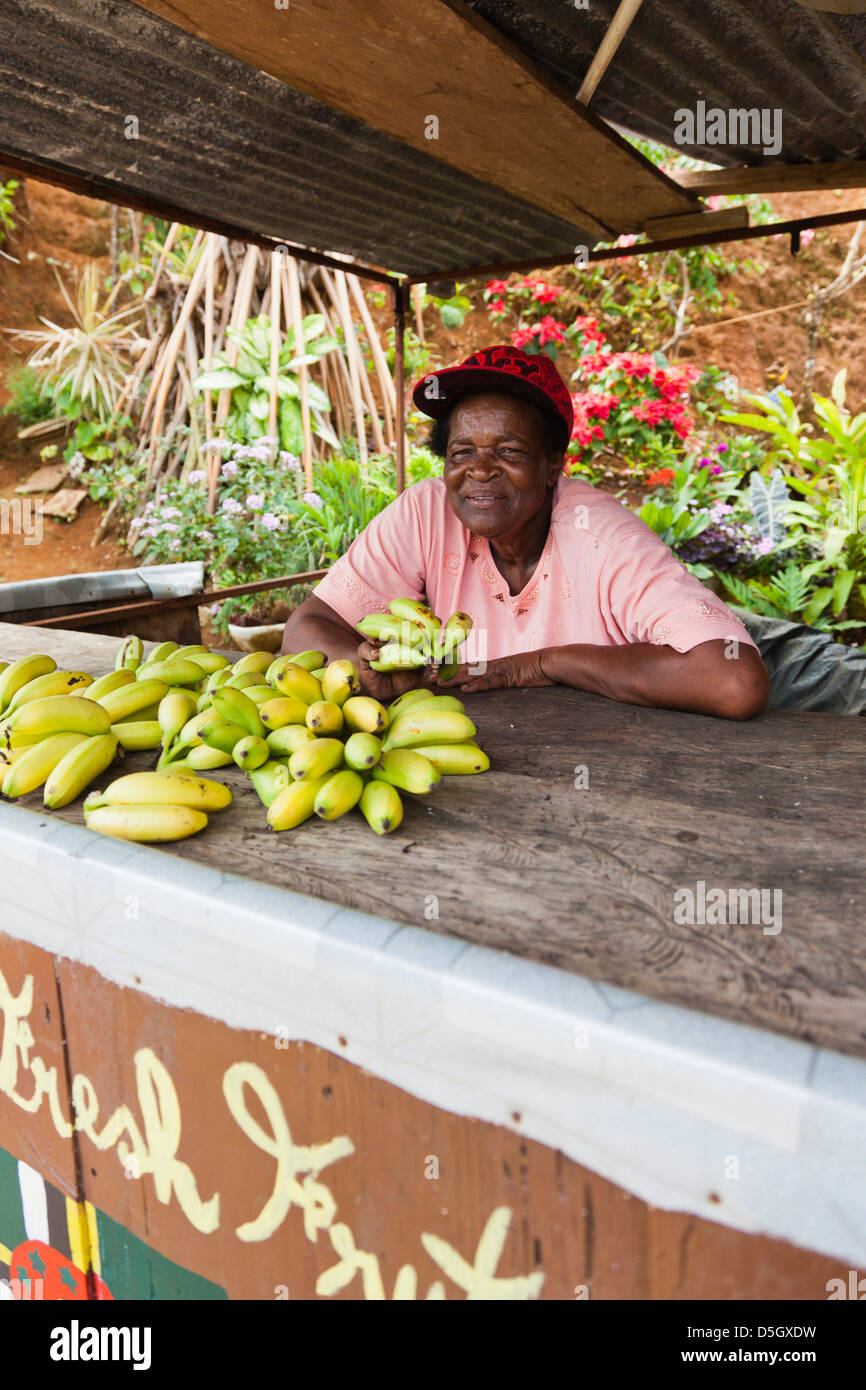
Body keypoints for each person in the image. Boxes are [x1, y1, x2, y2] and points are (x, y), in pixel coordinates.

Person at [281, 345, 770, 719]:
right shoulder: (427, 512)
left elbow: (732, 681)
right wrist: (365, 667)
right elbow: (305, 630)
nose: (480, 471)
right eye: (461, 452)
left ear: (553, 464)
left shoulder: (601, 537)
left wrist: (541, 664)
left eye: (510, 452)